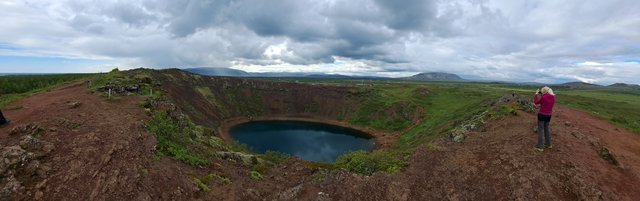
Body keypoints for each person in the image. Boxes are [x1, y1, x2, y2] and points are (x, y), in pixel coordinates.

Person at [533, 86, 555, 151]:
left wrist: (536, 95)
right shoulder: (553, 97)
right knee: (547, 129)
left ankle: (540, 146)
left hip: (542, 115)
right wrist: (541, 94)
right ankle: (548, 144)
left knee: (540, 130)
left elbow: (536, 102)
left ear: (545, 91)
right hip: (549, 115)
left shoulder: (544, 97)